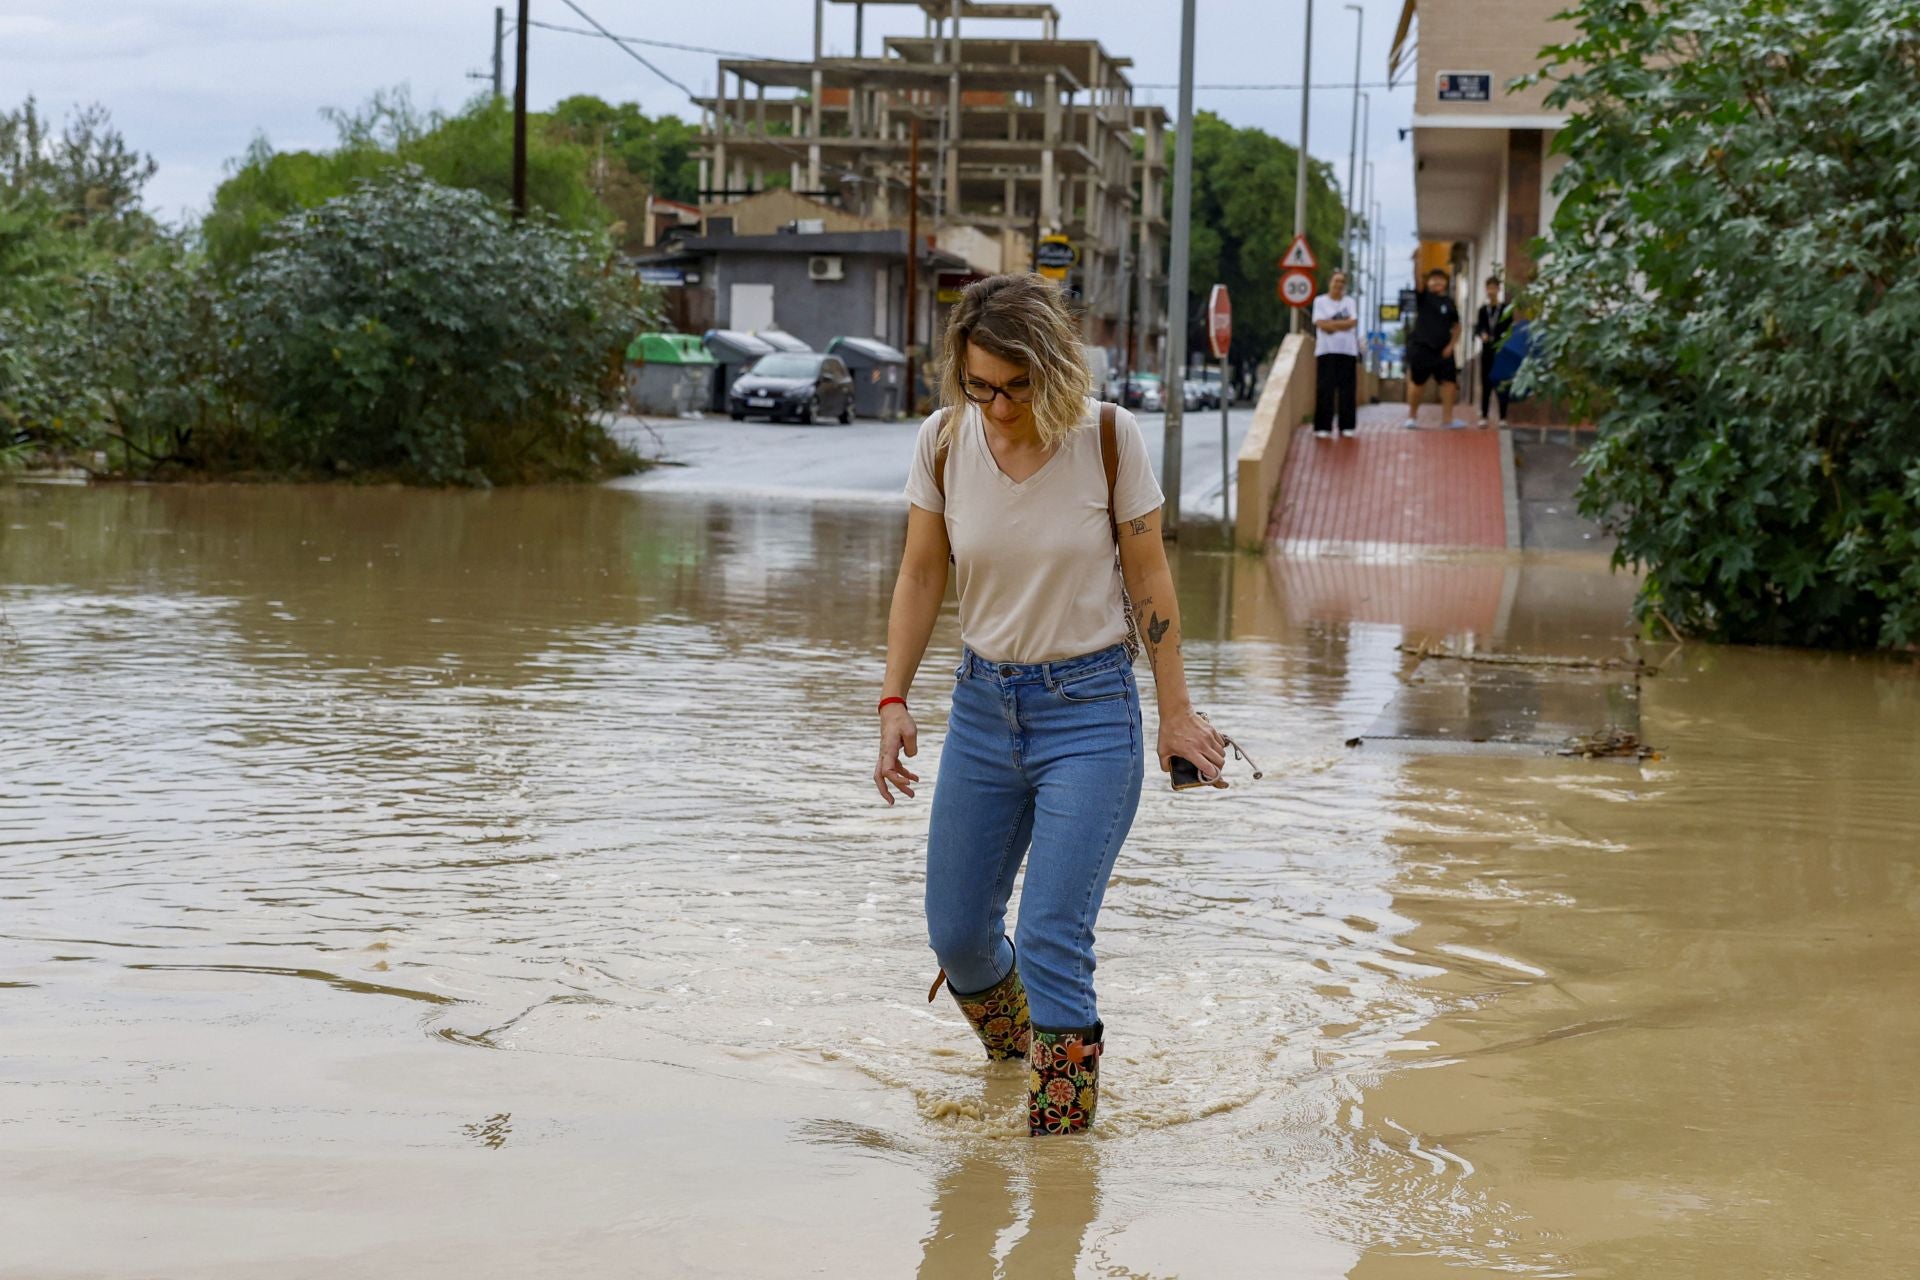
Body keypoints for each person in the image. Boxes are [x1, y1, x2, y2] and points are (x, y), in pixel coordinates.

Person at [874, 273, 1228, 1137]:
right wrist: (892, 697)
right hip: (983, 709)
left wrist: (1177, 712)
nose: (997, 406)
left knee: (1050, 939)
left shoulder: (1107, 438)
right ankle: (1020, 1066)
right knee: (958, 935)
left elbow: (1149, 576)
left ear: (1053, 368)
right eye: (980, 384)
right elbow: (923, 572)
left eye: (1017, 386)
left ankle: (1059, 1156)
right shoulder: (943, 440)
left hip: (1091, 714)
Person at [1403, 268, 1464, 430]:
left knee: (1449, 384)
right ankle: (1411, 416)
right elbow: (1417, 280)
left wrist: (1451, 345)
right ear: (1428, 282)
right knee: (1417, 383)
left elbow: (1457, 326)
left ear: (1446, 282)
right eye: (1433, 279)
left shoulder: (1450, 302)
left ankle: (1448, 419)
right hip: (1422, 348)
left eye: (1440, 279)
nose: (1437, 282)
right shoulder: (1423, 297)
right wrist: (1417, 263)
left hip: (1443, 351)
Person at [1311, 270, 1361, 439]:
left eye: (1341, 282)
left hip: (1348, 351)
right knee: (1325, 389)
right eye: (1335, 281)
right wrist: (1340, 324)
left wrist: (1331, 324)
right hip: (1326, 351)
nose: (1338, 284)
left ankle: (1347, 426)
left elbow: (1353, 322)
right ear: (1329, 282)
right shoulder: (1320, 301)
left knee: (1347, 391)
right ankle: (1323, 426)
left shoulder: (1350, 302)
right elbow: (1320, 324)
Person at [1474, 276, 1513, 428]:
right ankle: (1484, 415)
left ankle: (1503, 417)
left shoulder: (1505, 309)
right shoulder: (1483, 310)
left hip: (1501, 351)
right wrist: (1482, 333)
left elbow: (1510, 328)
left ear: (1498, 289)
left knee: (1502, 384)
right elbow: (1478, 327)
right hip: (1487, 351)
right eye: (1489, 288)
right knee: (1486, 383)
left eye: (1494, 288)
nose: (1491, 291)